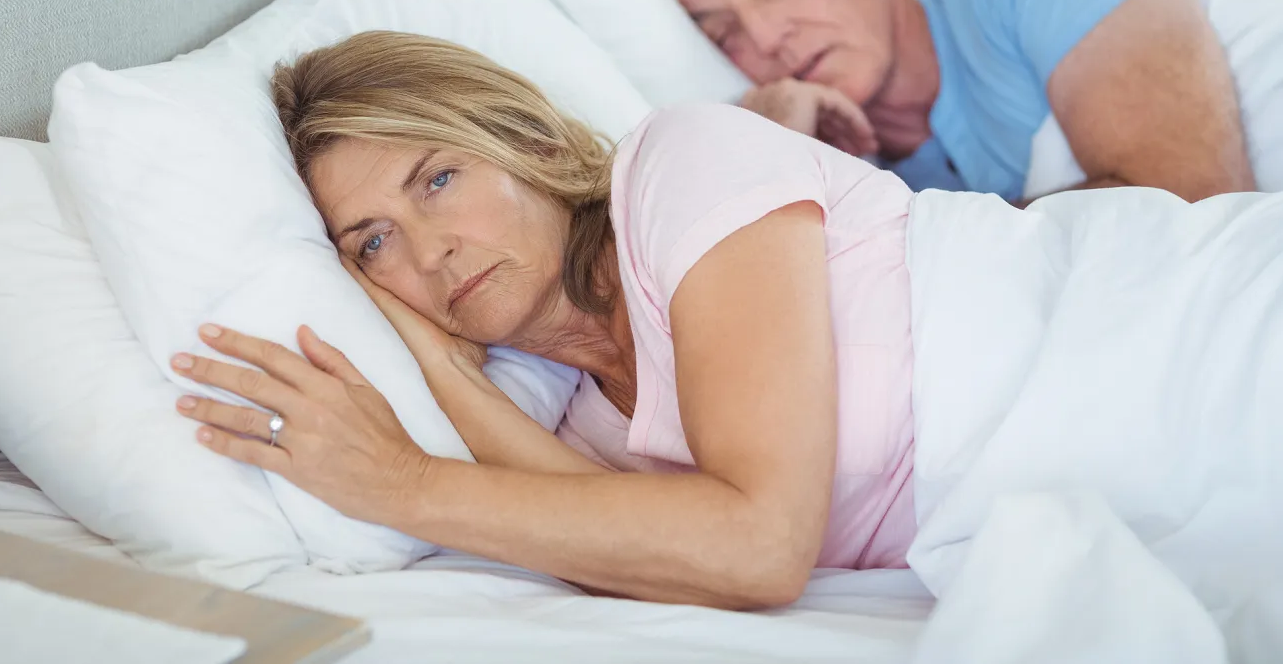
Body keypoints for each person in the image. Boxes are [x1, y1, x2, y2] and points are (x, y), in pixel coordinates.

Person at [168, 32, 1280, 611]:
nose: (424, 249)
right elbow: (635, 545)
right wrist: (449, 381)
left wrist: (396, 481)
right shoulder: (570, 427)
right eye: (370, 245)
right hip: (1121, 469)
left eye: (437, 179)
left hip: (1178, 335)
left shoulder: (683, 168)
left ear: (533, 149)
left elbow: (755, 547)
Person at [657, 0, 1256, 204]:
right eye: (723, 34)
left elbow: (1195, 205)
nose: (764, 38)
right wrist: (769, 152)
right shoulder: (858, 190)